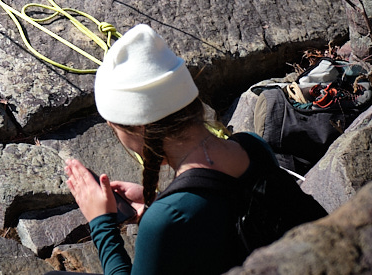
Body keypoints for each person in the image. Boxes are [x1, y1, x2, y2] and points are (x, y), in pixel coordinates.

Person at [63, 24, 300, 275]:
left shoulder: (165, 221)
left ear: (137, 127)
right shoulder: (253, 147)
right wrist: (159, 202)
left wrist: (101, 224)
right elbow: (226, 217)